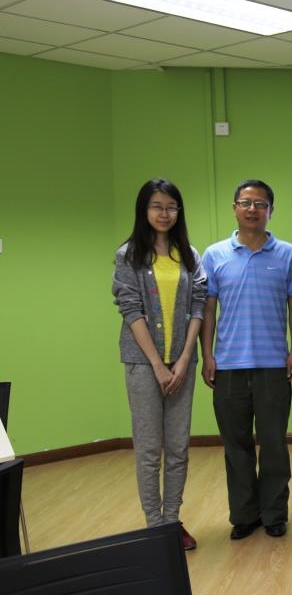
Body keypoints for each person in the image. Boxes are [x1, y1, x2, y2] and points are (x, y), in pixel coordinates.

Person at [200, 179, 292, 540]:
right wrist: (207, 355)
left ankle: (274, 513)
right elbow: (208, 308)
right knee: (236, 446)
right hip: (227, 366)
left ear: (270, 211)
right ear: (234, 208)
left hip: (274, 365)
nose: (252, 209)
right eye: (245, 203)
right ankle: (244, 515)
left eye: (260, 204)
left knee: (274, 444)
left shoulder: (288, 254)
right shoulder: (214, 255)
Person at [112, 178, 206, 551]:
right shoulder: (128, 255)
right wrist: (157, 364)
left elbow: (198, 305)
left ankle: (172, 523)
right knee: (150, 449)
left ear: (178, 211)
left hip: (182, 363)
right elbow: (130, 309)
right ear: (144, 210)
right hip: (143, 364)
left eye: (170, 206)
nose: (164, 213)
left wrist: (183, 359)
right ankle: (154, 527)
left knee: (178, 447)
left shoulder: (189, 255)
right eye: (156, 206)